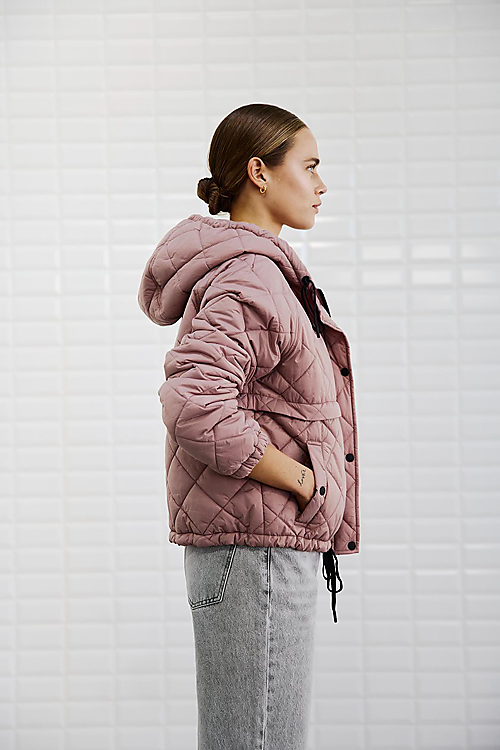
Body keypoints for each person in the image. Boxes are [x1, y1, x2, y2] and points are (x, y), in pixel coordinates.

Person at [138, 103, 360, 750]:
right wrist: (303, 480)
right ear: (259, 172)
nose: (321, 184)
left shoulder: (258, 271)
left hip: (257, 546)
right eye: (309, 166)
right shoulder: (250, 276)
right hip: (258, 550)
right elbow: (194, 402)